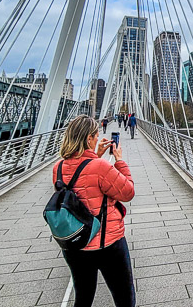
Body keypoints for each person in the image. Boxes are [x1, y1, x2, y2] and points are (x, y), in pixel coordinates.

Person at [53, 115, 135, 307]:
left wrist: (94, 155)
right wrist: (120, 161)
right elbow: (128, 192)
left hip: (75, 244)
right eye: (96, 136)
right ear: (88, 139)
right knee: (124, 299)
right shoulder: (100, 167)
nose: (98, 138)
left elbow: (80, 183)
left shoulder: (58, 168)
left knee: (83, 298)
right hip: (107, 244)